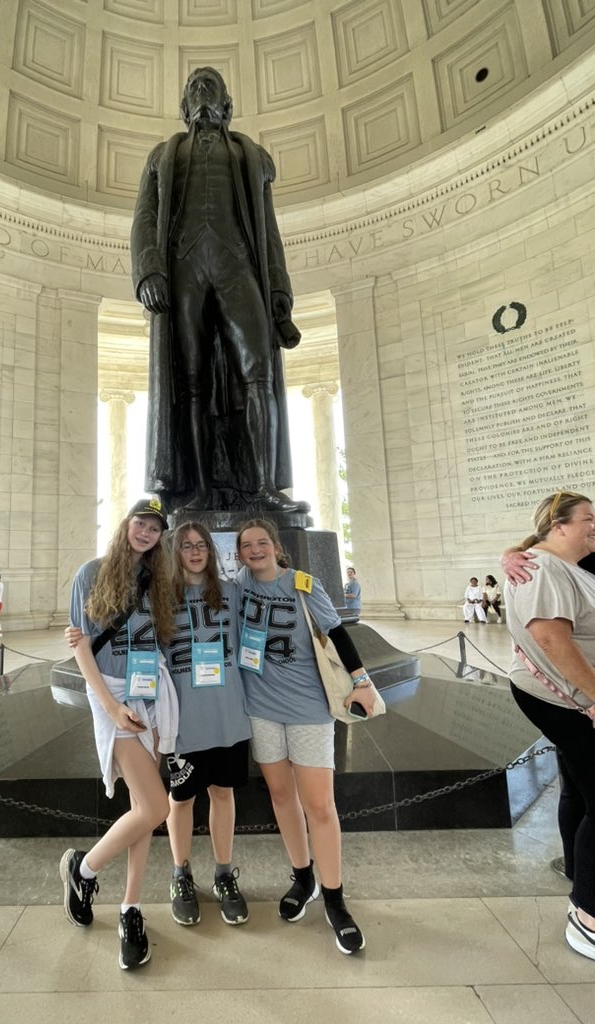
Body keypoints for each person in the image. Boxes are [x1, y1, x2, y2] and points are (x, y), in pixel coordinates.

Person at [131, 66, 306, 515]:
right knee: (191, 382)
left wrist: (279, 289)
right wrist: (148, 270)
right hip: (183, 268)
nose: (202, 90)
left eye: (211, 85)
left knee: (258, 372)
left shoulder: (252, 156)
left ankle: (263, 487)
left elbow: (269, 231)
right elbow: (145, 218)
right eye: (194, 86)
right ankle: (200, 490)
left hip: (237, 264)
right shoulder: (162, 156)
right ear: (184, 106)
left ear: (227, 105)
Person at [234, 519, 374, 954]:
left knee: (319, 805)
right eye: (247, 545)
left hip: (308, 709)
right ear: (239, 554)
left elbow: (336, 632)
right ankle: (303, 876)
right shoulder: (238, 585)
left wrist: (362, 681)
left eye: (262, 542)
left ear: (276, 546)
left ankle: (334, 898)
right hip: (260, 709)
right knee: (281, 796)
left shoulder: (302, 584)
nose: (255, 550)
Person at [62, 498, 178, 971]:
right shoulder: (90, 573)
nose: (145, 532)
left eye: (154, 528)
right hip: (112, 693)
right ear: (127, 524)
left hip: (149, 692)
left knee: (141, 808)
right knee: (156, 808)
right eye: (140, 523)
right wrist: (110, 707)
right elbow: (81, 645)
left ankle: (131, 906)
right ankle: (84, 868)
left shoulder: (158, 579)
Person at [502, 490, 595, 961]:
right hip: (570, 700)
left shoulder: (567, 562)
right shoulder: (542, 568)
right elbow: (550, 638)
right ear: (559, 526)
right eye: (588, 518)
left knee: (578, 789)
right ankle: (587, 915)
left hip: (574, 698)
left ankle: (581, 872)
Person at [163, 521, 252, 927]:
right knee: (181, 799)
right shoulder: (162, 597)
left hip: (227, 713)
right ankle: (180, 874)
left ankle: (223, 874)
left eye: (201, 545)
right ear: (176, 552)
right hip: (183, 717)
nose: (195, 552)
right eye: (187, 546)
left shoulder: (231, 593)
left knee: (222, 793)